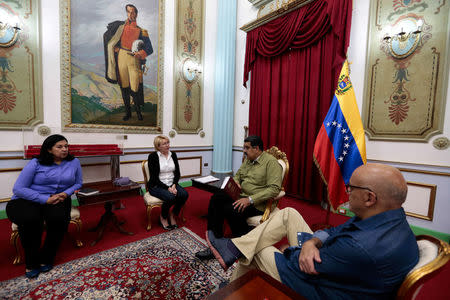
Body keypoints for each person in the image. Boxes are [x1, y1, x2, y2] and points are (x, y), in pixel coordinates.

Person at [205, 163, 419, 300]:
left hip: (320, 289)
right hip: (338, 273)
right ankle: (234, 250)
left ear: (370, 198)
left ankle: (233, 288)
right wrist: (312, 241)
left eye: (351, 188)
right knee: (288, 213)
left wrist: (292, 249)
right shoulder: (390, 219)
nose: (347, 192)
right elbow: (339, 229)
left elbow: (297, 266)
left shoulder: (359, 247)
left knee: (258, 251)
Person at [6, 134, 83, 279]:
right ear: (49, 149)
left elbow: (78, 183)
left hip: (58, 198)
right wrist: (45, 199)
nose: (64, 149)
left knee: (59, 220)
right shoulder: (36, 162)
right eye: (59, 147)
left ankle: (47, 257)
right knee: (31, 220)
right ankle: (32, 262)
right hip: (28, 199)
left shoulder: (74, 162)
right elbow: (19, 189)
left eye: (66, 146)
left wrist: (65, 194)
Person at [195, 135, 283, 260]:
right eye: (244, 148)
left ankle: (243, 244)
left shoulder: (271, 162)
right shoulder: (248, 160)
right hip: (240, 196)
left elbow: (274, 189)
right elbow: (238, 176)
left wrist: (250, 199)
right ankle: (216, 242)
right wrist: (235, 183)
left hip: (257, 203)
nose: (244, 151)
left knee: (231, 209)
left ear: (256, 148)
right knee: (216, 198)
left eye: (247, 148)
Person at [104, 4, 153, 121]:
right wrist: (115, 47)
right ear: (127, 13)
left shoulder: (142, 31)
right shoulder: (120, 27)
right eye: (129, 12)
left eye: (133, 12)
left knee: (135, 86)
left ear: (136, 13)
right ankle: (128, 113)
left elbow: (149, 49)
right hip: (121, 57)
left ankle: (138, 113)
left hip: (134, 59)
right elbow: (110, 38)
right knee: (124, 86)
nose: (131, 14)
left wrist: (140, 54)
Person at [147, 135, 188, 230]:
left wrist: (174, 185)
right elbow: (154, 178)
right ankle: (163, 216)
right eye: (164, 144)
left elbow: (177, 173)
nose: (167, 145)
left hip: (172, 183)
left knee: (184, 194)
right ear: (158, 146)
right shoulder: (152, 156)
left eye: (168, 143)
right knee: (171, 197)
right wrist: (168, 188)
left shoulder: (173, 154)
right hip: (156, 185)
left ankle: (173, 214)